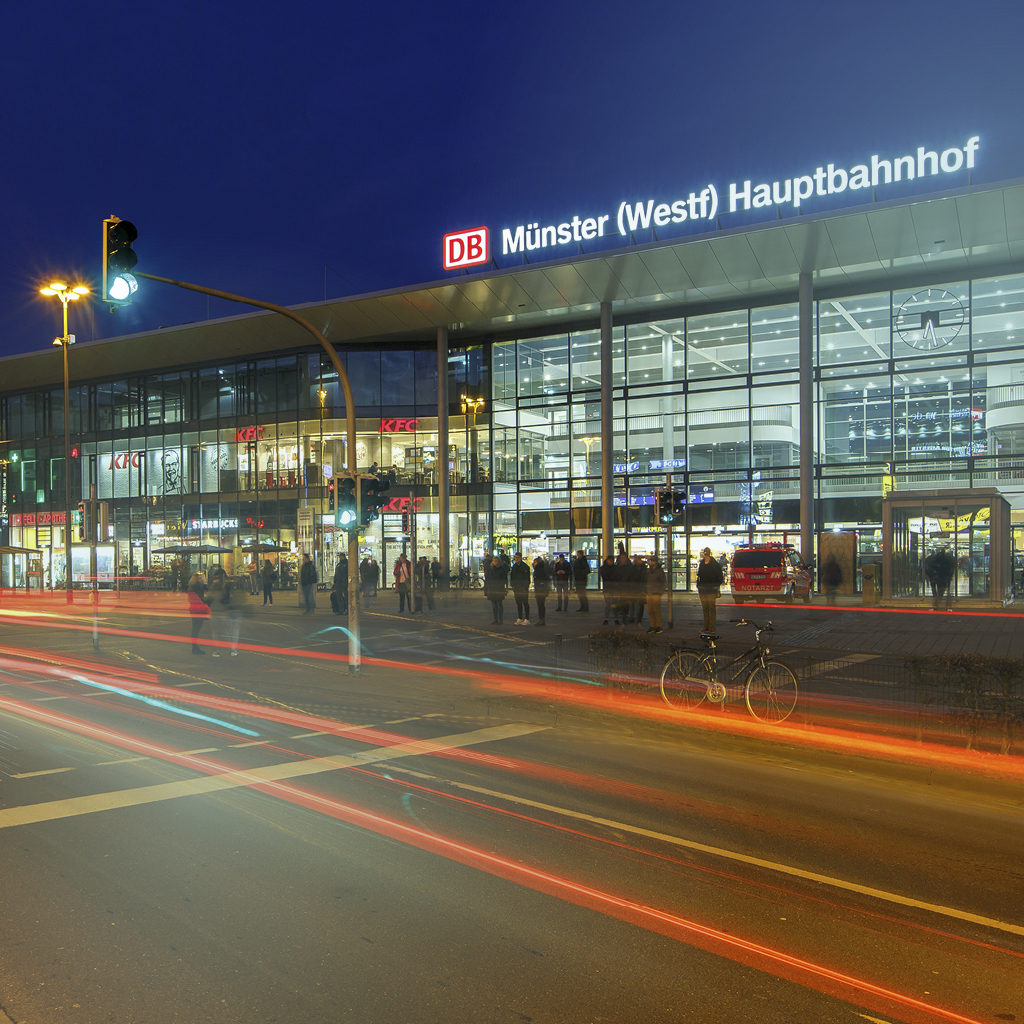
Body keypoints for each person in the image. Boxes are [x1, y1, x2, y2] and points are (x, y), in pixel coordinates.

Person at [207, 565, 241, 656]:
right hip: (223, 613)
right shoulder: (225, 589)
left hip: (214, 613)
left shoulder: (212, 589)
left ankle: (216, 651)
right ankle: (232, 650)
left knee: (215, 633)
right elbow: (228, 601)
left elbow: (207, 600)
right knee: (227, 632)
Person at [696, 546, 724, 634]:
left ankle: (711, 626)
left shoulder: (713, 564)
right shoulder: (703, 563)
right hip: (704, 589)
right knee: (706, 608)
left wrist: (715, 586)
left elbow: (719, 576)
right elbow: (699, 575)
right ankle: (707, 626)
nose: (705, 554)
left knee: (710, 608)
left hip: (710, 589)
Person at [186, 571, 210, 654]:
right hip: (198, 609)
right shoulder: (197, 588)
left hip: (194, 608)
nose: (201, 579)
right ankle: (195, 648)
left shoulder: (192, 587)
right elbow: (201, 597)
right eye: (200, 578)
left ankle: (195, 647)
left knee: (195, 629)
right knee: (196, 629)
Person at [924, 546, 954, 610]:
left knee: (934, 588)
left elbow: (927, 567)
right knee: (942, 589)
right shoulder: (947, 559)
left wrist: (930, 574)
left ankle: (936, 601)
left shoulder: (930, 558)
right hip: (943, 577)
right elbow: (950, 568)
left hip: (934, 576)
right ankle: (941, 601)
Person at [484, 554, 508, 625]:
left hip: (499, 589)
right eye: (494, 561)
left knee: (499, 604)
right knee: (494, 605)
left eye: (496, 561)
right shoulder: (490, 570)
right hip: (492, 589)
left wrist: (502, 586)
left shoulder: (501, 570)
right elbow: (487, 580)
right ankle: (495, 618)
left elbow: (504, 579)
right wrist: (486, 590)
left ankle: (500, 619)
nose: (495, 562)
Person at [645, 557, 666, 633]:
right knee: (650, 610)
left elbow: (663, 581)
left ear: (655, 562)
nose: (650, 562)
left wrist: (659, 590)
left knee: (656, 610)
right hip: (649, 592)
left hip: (656, 593)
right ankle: (653, 625)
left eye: (651, 561)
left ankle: (659, 626)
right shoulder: (648, 571)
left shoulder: (659, 571)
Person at [510, 552, 531, 624]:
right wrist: (512, 585)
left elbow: (527, 578)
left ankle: (527, 618)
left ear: (521, 558)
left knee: (525, 603)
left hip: (523, 588)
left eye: (518, 557)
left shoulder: (525, 567)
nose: (516, 559)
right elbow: (512, 576)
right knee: (518, 603)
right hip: (516, 587)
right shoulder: (514, 566)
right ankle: (520, 617)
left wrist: (525, 587)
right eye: (516, 557)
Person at [629, 554, 648, 626]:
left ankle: (638, 619)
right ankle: (634, 618)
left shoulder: (643, 568)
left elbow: (645, 579)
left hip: (640, 589)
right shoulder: (634, 568)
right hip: (634, 589)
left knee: (639, 605)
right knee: (633, 604)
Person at [532, 555, 551, 625]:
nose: (533, 564)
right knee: (541, 604)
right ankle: (541, 619)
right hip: (541, 588)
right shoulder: (542, 568)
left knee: (540, 604)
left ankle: (541, 619)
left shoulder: (539, 570)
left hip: (540, 589)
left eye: (534, 562)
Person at [599, 554, 617, 625]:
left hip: (613, 588)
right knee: (608, 604)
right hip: (608, 588)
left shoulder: (613, 568)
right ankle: (607, 618)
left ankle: (615, 618)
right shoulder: (604, 568)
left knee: (614, 604)